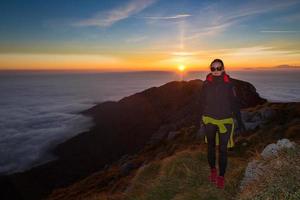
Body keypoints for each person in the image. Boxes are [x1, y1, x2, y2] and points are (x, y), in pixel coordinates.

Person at [199, 58, 246, 189]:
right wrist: (198, 118)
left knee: (223, 150)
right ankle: (213, 171)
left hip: (225, 121)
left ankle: (221, 176)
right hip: (209, 120)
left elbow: (235, 103)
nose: (215, 71)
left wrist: (240, 120)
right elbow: (201, 102)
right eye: (213, 68)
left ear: (223, 69)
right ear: (210, 69)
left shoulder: (229, 84)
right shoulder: (206, 84)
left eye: (218, 68)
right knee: (211, 147)